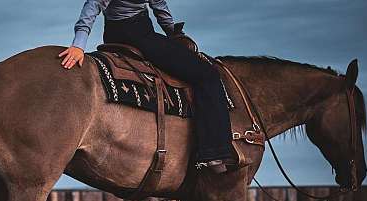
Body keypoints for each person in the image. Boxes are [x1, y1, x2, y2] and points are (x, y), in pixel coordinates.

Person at [59, 0, 238, 173]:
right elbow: (94, 4)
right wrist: (78, 45)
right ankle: (215, 152)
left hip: (116, 31)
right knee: (208, 75)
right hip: (138, 33)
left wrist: (174, 35)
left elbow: (159, 6)